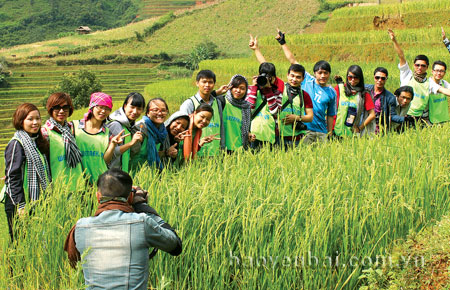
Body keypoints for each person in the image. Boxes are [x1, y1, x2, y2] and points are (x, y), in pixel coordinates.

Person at [64, 168, 182, 290]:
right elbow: (175, 246)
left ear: (98, 197)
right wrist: (143, 206)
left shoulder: (81, 227)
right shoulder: (141, 222)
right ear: (130, 197)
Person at [251, 29, 336, 144]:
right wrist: (280, 43)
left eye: (326, 73)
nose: (322, 76)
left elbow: (328, 115)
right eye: (320, 73)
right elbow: (272, 68)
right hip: (292, 134)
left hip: (313, 133)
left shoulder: (328, 92)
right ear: (314, 73)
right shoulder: (297, 84)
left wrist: (329, 133)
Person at [4, 103, 51, 241]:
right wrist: (21, 206)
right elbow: (12, 177)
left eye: (38, 118)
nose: (35, 122)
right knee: (20, 243)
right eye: (30, 119)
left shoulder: (38, 142)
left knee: (36, 241)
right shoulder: (16, 143)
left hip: (36, 199)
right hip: (19, 202)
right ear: (21, 121)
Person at [388, 29, 441, 122]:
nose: (419, 68)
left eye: (423, 66)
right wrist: (394, 41)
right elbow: (401, 56)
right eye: (417, 65)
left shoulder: (429, 82)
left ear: (427, 67)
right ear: (414, 65)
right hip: (402, 114)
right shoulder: (407, 74)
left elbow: (443, 90)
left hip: (419, 118)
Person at [73, 92, 126, 184]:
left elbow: (106, 160)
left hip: (100, 182)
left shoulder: (107, 133)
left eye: (107, 109)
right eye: (100, 107)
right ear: (92, 107)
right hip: (77, 180)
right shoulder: (74, 127)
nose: (103, 111)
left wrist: (113, 144)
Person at [42, 92, 83, 192]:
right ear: (51, 109)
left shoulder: (73, 129)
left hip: (78, 185)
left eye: (65, 107)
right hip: (58, 187)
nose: (61, 111)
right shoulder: (45, 132)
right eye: (56, 107)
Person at [179, 70, 225, 157]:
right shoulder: (189, 103)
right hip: (196, 153)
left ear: (214, 84)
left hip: (215, 153)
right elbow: (183, 130)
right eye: (204, 82)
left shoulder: (217, 102)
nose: (207, 85)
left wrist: (222, 148)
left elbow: (221, 125)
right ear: (197, 83)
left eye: (210, 82)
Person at [246, 62, 283, 148]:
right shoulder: (251, 90)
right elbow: (249, 110)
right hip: (252, 135)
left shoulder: (277, 93)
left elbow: (274, 112)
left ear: (273, 79)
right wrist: (254, 88)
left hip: (270, 135)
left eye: (269, 78)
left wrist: (269, 91)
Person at [107, 92, 145, 172]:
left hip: (119, 172)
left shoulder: (129, 126)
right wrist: (131, 143)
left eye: (139, 109)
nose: (135, 111)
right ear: (125, 106)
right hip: (111, 174)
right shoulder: (116, 125)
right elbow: (113, 153)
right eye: (132, 107)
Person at [333, 65, 376, 137]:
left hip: (351, 135)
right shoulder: (340, 88)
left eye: (356, 78)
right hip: (335, 130)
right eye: (350, 77)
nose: (352, 80)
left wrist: (360, 128)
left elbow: (372, 115)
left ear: (360, 79)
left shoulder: (364, 93)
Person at [217, 74, 256, 152]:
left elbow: (245, 128)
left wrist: (249, 135)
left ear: (246, 91)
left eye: (242, 88)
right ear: (230, 88)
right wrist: (218, 92)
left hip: (239, 151)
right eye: (235, 87)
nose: (238, 91)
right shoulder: (221, 102)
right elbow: (205, 100)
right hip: (222, 150)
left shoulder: (246, 107)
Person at [133, 98, 169, 171]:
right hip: (135, 172)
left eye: (163, 110)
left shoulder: (162, 131)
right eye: (155, 110)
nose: (159, 113)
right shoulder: (139, 128)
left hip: (151, 173)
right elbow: (133, 154)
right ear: (148, 113)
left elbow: (155, 154)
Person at [364, 67, 397, 134]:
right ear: (374, 77)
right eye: (377, 77)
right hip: (363, 123)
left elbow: (392, 116)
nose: (379, 80)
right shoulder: (365, 89)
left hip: (377, 128)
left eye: (383, 78)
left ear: (386, 79)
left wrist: (404, 119)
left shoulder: (390, 97)